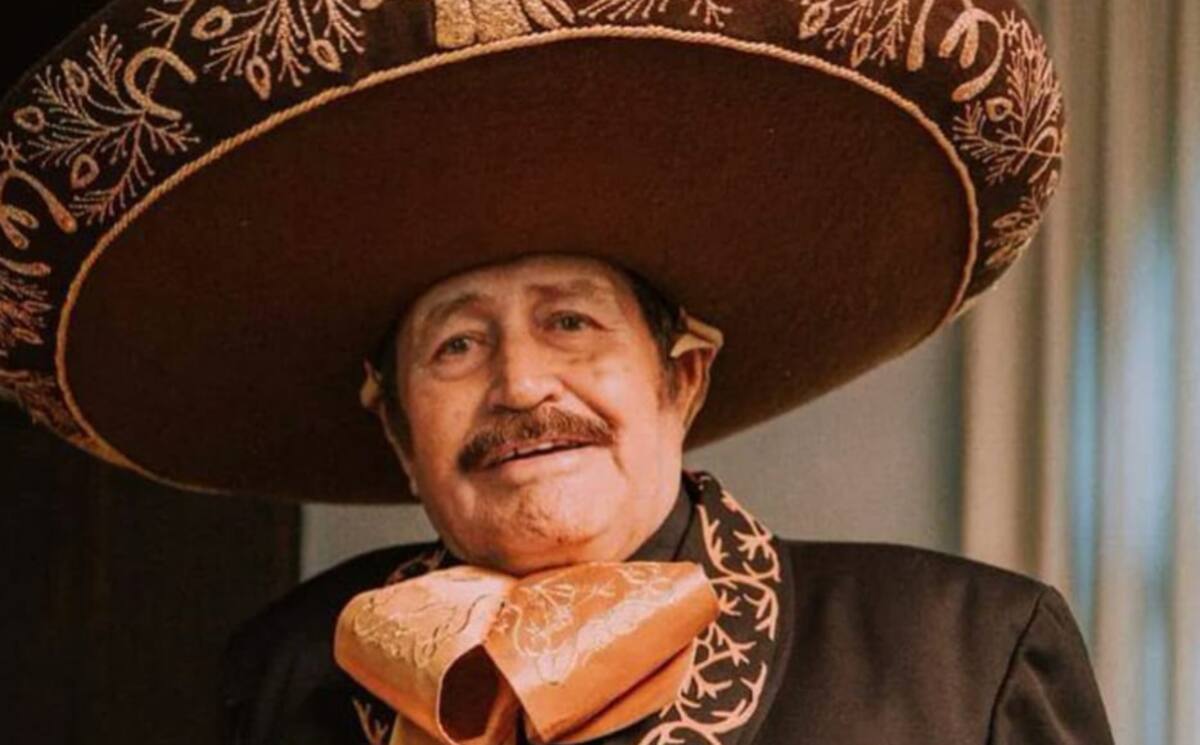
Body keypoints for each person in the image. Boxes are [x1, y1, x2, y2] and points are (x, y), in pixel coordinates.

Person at [0, 0, 1112, 743]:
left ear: (682, 379)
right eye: (456, 345)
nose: (523, 385)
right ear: (398, 431)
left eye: (572, 323)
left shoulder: (969, 657)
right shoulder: (283, 674)